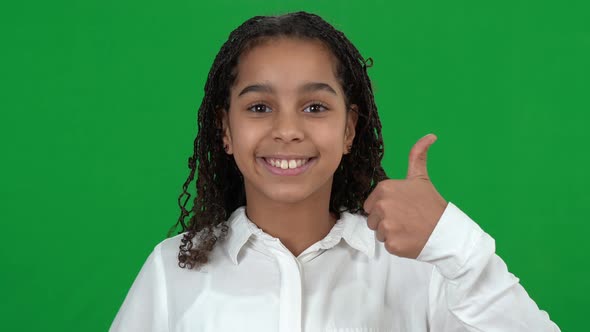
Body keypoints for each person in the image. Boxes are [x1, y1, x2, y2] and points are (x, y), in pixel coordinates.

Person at [110, 11, 561, 332]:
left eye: (315, 106)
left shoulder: (420, 270)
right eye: (260, 106)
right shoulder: (172, 272)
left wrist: (453, 243)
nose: (287, 130)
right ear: (225, 130)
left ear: (349, 130)